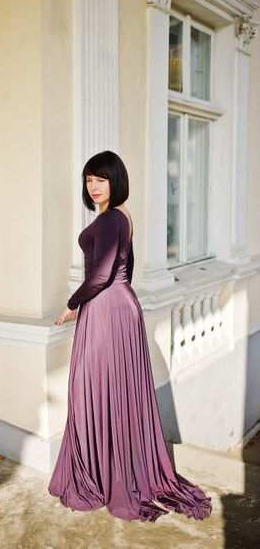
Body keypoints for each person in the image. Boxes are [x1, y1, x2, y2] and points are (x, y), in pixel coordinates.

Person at [48, 150, 212, 522]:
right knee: (113, 390)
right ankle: (116, 467)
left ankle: (105, 474)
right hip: (120, 305)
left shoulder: (109, 221)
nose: (93, 187)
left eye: (100, 180)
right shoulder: (122, 217)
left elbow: (102, 274)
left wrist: (72, 304)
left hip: (106, 308)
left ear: (115, 181)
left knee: (93, 388)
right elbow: (127, 269)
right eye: (89, 180)